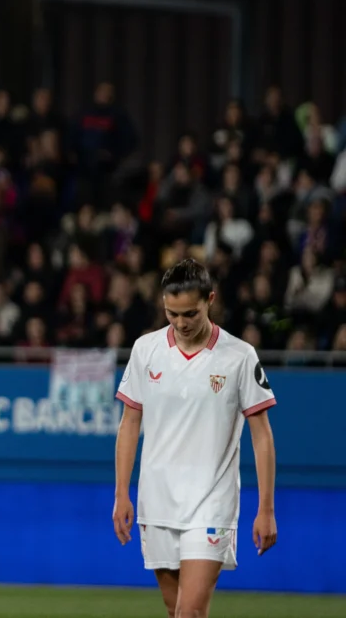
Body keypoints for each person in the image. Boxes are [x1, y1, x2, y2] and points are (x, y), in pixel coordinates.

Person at [112, 259, 278, 618]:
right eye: (172, 314)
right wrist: (121, 493)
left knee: (190, 612)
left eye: (190, 313)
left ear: (210, 300)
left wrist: (266, 509)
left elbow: (261, 435)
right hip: (156, 501)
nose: (181, 323)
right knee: (176, 612)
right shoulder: (145, 350)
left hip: (211, 502)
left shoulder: (239, 356)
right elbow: (129, 424)